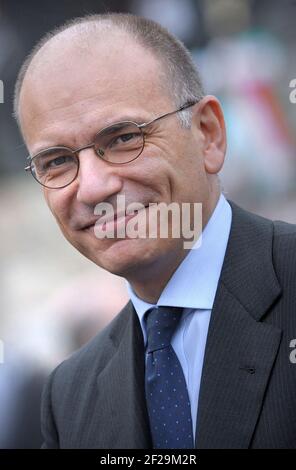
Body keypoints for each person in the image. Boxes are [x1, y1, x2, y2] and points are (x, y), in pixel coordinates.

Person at [14, 13, 296, 449]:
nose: (92, 187)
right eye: (56, 161)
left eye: (124, 138)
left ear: (208, 134)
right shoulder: (69, 397)